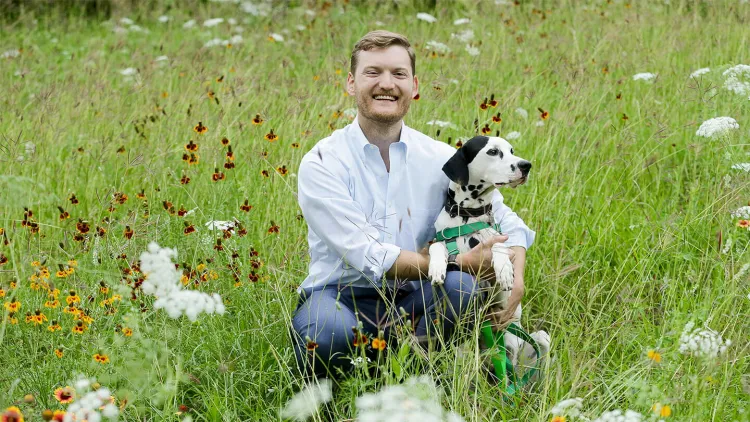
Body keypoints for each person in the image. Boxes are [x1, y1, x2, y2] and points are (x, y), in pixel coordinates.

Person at [291, 30, 535, 379]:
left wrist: (518, 277)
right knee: (327, 332)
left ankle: (420, 376)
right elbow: (368, 253)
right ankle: (330, 397)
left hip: (417, 295)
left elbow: (508, 222)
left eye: (398, 74)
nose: (386, 84)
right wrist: (459, 260)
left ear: (414, 86)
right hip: (339, 296)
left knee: (461, 288)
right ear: (350, 83)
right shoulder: (322, 163)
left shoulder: (438, 158)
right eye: (372, 72)